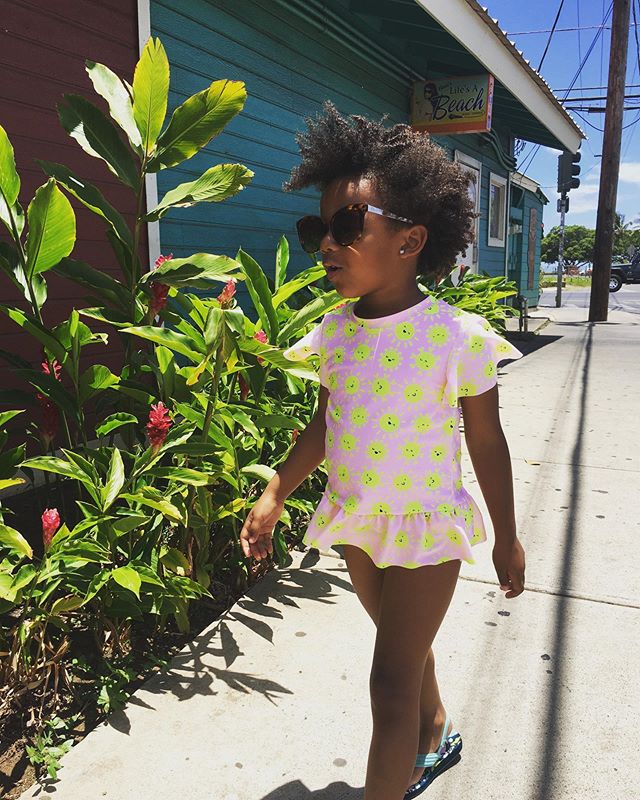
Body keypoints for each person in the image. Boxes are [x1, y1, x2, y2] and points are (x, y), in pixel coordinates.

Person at [239, 102, 526, 800]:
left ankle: (406, 752)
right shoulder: (336, 334)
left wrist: (508, 539)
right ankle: (437, 732)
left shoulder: (457, 337)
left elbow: (486, 442)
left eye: (347, 227)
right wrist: (276, 491)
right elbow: (325, 426)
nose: (327, 245)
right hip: (359, 523)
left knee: (387, 683)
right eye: (319, 229)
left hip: (428, 527)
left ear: (409, 241)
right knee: (408, 651)